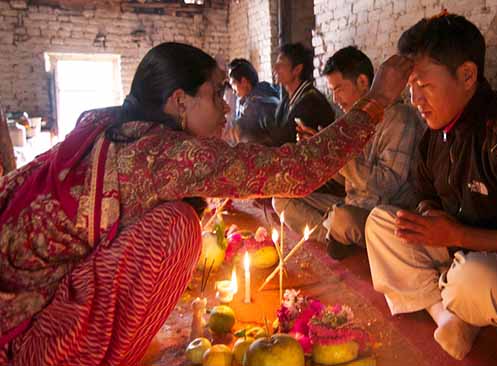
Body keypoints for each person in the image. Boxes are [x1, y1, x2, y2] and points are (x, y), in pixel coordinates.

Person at [0, 42, 413, 365]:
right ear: (180, 101)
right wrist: (376, 100)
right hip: (23, 338)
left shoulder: (112, 125)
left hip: (25, 310)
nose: (226, 106)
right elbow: (300, 170)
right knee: (176, 228)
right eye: (216, 94)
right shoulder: (161, 153)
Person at [365, 13, 497, 360]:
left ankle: (454, 300)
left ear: (467, 76)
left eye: (424, 85)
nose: (416, 100)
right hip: (460, 256)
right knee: (380, 224)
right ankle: (446, 314)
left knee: (474, 280)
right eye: (410, 88)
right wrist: (429, 216)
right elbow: (426, 193)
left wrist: (457, 236)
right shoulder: (436, 135)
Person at [273, 46, 424, 259]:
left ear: (363, 82)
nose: (335, 99)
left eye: (339, 89)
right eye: (332, 90)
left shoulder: (399, 117)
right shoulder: (353, 119)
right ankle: (334, 236)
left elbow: (386, 185)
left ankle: (337, 234)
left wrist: (336, 153)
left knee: (344, 219)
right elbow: (342, 179)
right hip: (352, 203)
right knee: (282, 197)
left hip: (379, 214)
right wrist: (320, 152)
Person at [268, 42, 336, 146]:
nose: (275, 68)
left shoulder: (313, 102)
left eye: (280, 64)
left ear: (297, 69)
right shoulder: (286, 101)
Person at [226, 58, 280, 145]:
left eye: (233, 84)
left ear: (243, 81)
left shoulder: (261, 104)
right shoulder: (245, 101)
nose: (233, 91)